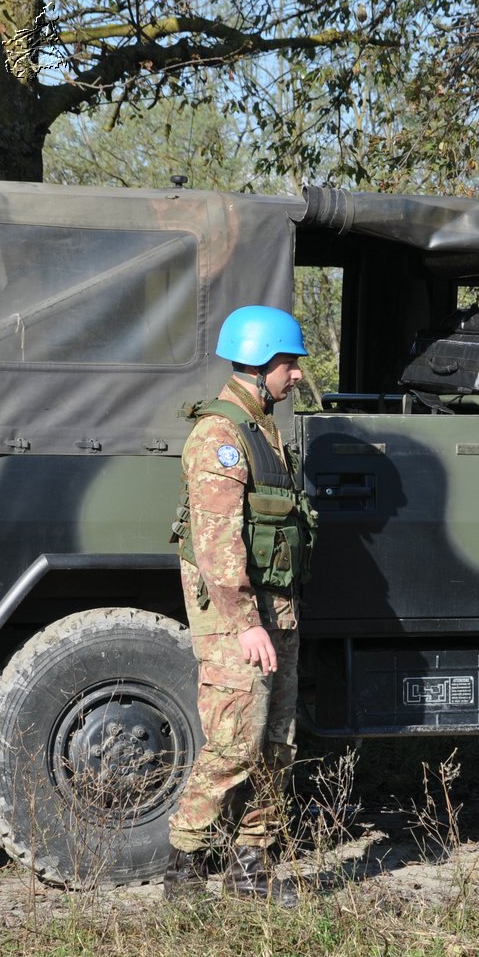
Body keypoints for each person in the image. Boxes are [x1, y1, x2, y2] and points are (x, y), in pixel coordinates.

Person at [165, 305, 315, 905]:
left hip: (278, 610)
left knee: (277, 742)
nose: (298, 375)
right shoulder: (220, 436)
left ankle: (251, 865)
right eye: (290, 364)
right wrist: (247, 623)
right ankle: (184, 863)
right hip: (240, 620)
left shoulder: (264, 427)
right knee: (234, 740)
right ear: (259, 364)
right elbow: (218, 541)